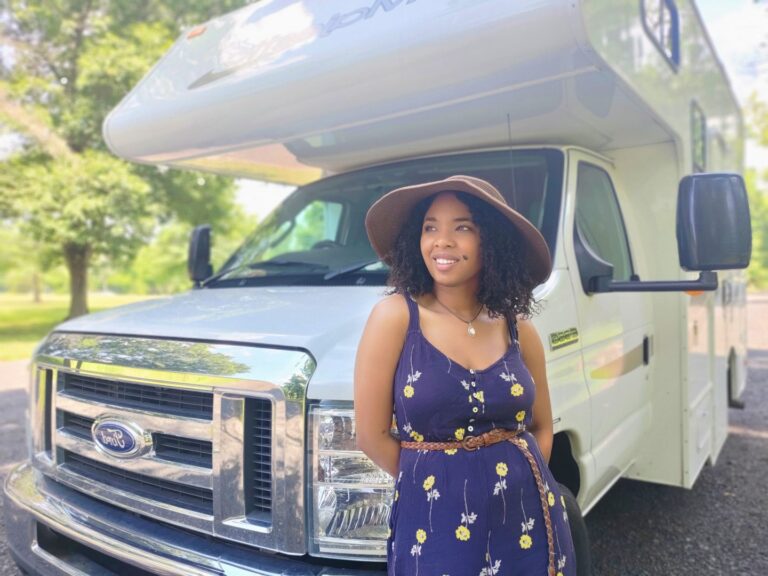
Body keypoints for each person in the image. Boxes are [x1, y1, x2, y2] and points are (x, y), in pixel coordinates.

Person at [354, 175, 575, 576]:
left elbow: (542, 425)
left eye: (463, 227)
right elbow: (371, 436)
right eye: (430, 227)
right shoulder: (396, 318)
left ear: (490, 240)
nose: (442, 241)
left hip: (525, 514)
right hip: (434, 517)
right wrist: (442, 479)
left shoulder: (518, 329)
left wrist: (518, 479)